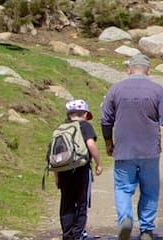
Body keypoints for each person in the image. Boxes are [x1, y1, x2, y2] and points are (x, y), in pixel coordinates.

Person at [101, 55, 163, 240]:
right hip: (149, 149)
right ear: (148, 71)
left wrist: (108, 142)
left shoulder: (115, 89)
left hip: (124, 148)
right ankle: (146, 229)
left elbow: (105, 119)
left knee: (123, 188)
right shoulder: (157, 90)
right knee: (150, 189)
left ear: (129, 69)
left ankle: (126, 219)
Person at [58, 100, 102, 240]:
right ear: (84, 114)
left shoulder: (61, 128)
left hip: (63, 171)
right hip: (81, 170)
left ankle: (67, 234)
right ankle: (78, 234)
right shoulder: (85, 126)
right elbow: (91, 144)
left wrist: (57, 177)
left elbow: (55, 154)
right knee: (82, 202)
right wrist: (98, 163)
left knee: (67, 203)